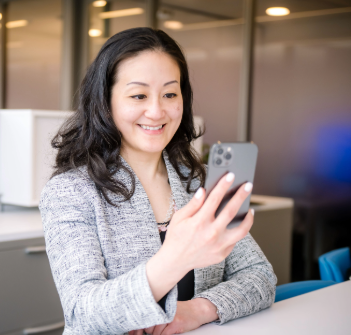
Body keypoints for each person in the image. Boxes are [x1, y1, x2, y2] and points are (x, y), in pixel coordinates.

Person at [39, 27, 276, 335]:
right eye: (138, 95)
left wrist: (198, 310)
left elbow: (260, 276)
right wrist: (175, 259)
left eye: (169, 94)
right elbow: (83, 312)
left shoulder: (200, 181)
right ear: (104, 101)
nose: (156, 111)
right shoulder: (70, 191)